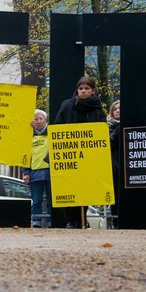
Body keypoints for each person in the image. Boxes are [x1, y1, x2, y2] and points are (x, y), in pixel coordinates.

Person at [53, 75, 107, 228]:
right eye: (81, 88)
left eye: (87, 89)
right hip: (70, 153)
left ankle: (82, 219)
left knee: (85, 188)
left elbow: (103, 130)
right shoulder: (67, 105)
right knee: (69, 187)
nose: (83, 91)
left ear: (93, 91)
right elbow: (58, 124)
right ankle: (70, 220)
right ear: (77, 90)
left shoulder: (98, 109)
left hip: (89, 156)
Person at [23, 109, 51, 228]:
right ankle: (36, 222)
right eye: (36, 119)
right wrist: (26, 172)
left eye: (41, 119)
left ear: (46, 120)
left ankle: (51, 221)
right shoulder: (28, 136)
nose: (38, 122)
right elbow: (25, 156)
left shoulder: (51, 133)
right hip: (35, 173)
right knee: (37, 200)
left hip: (51, 173)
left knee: (51, 200)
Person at [108, 99, 122, 228]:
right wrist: (120, 127)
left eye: (120, 109)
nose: (117, 111)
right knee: (115, 199)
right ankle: (116, 223)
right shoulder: (108, 126)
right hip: (114, 168)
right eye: (115, 109)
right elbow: (109, 143)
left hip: (128, 168)